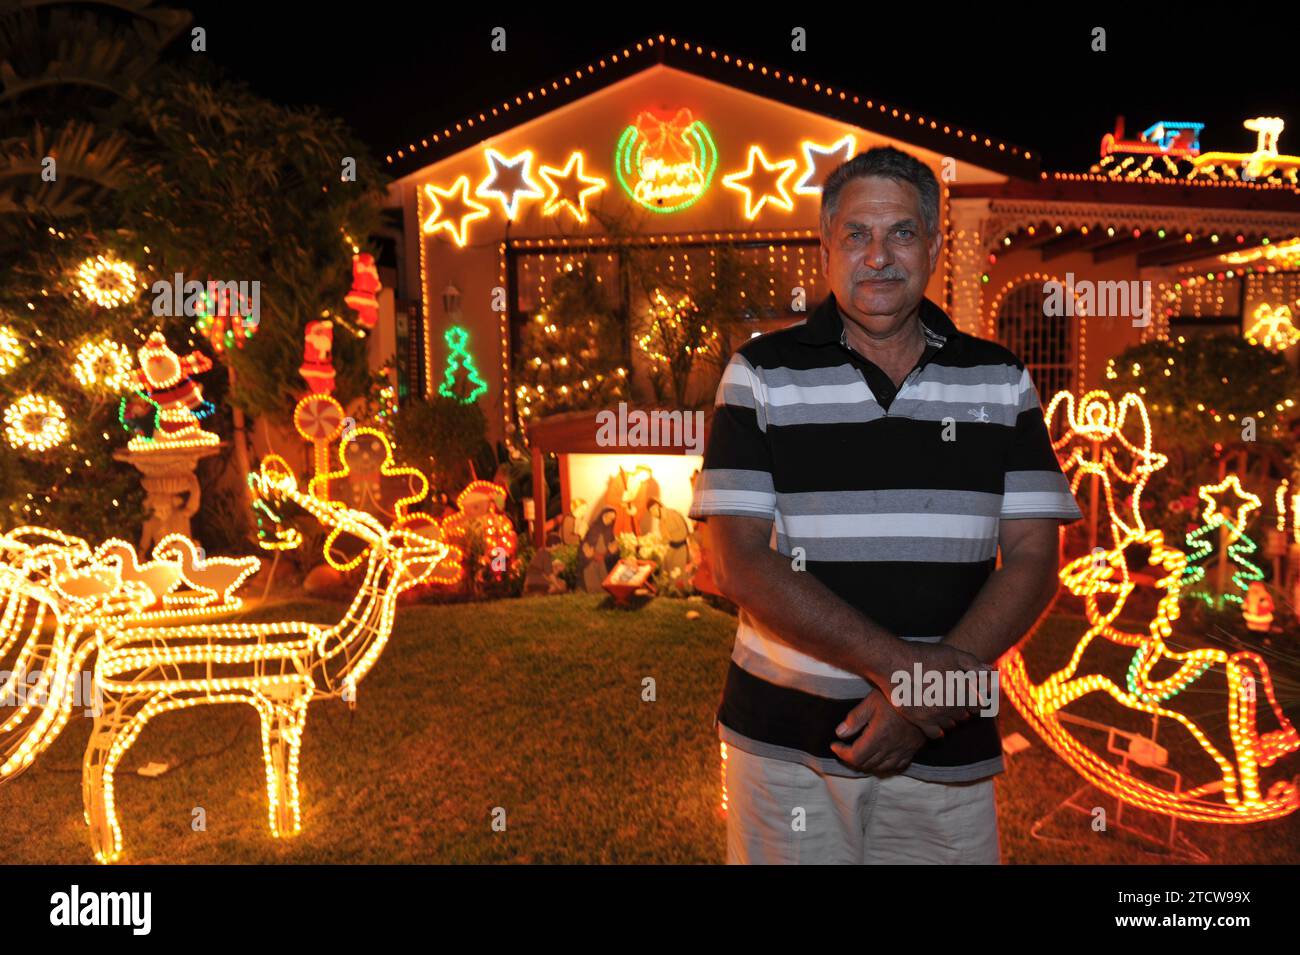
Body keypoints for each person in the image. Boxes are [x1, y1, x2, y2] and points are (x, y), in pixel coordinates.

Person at [688, 145, 1084, 864]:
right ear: (826, 249)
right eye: (857, 235)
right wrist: (914, 680)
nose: (878, 256)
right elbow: (739, 561)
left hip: (945, 748)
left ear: (933, 245)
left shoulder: (999, 378)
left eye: (901, 232)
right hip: (786, 752)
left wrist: (920, 703)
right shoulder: (760, 375)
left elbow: (1033, 558)